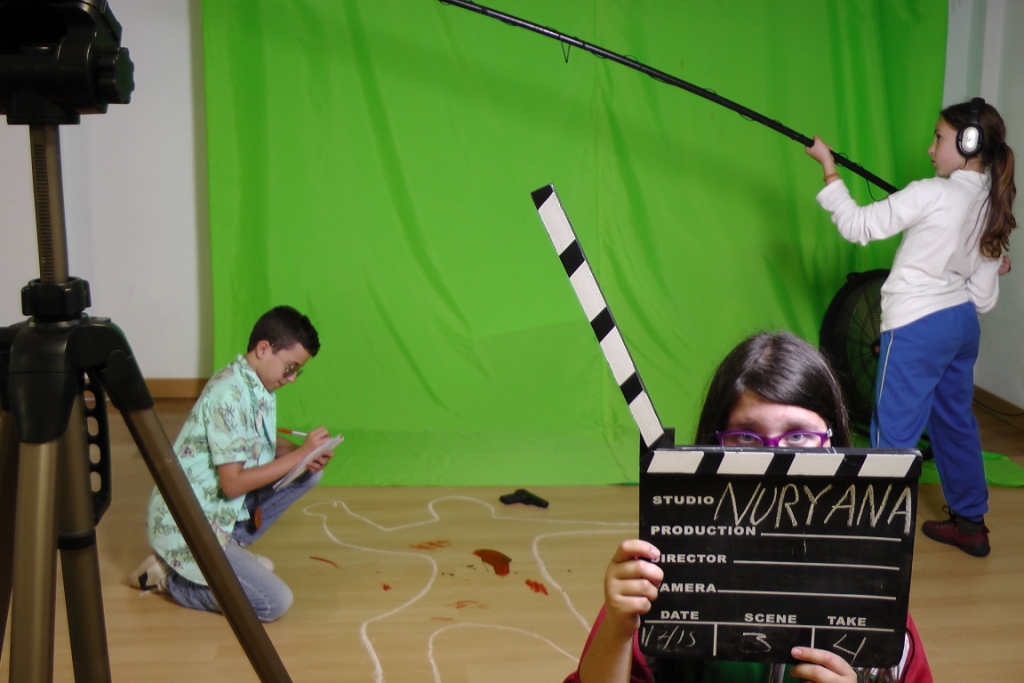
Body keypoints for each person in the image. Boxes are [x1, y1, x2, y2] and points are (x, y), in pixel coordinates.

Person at [564, 332, 932, 683]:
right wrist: (616, 629)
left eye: (799, 435)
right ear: (714, 445)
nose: (775, 460)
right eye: (745, 436)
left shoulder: (876, 597)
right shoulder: (661, 577)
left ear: (832, 443)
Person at [805, 99, 1016, 557]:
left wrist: (828, 168)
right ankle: (971, 525)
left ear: (969, 143)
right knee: (954, 424)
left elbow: (857, 226)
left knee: (893, 433)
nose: (929, 148)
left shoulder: (930, 192)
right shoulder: (992, 204)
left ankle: (874, 539)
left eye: (939, 138)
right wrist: (994, 264)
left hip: (916, 326)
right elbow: (982, 299)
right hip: (960, 328)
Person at [129, 305, 336, 621]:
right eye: (290, 367)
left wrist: (304, 454)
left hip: (219, 513)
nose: (292, 378)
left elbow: (259, 441)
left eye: (298, 371)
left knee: (308, 474)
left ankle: (232, 546)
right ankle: (170, 579)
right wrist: (298, 454)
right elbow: (233, 483)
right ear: (264, 349)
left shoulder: (256, 384)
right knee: (274, 603)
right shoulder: (228, 393)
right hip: (191, 523)